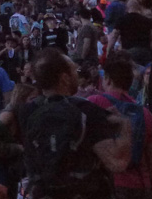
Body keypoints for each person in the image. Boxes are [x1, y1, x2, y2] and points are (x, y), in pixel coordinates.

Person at [10, 48, 133, 198]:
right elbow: (117, 163)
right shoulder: (87, 110)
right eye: (75, 70)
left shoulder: (25, 112)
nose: (77, 74)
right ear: (64, 78)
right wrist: (124, 125)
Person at [87, 52, 152, 199]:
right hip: (140, 184)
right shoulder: (144, 113)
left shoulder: (93, 103)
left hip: (107, 183)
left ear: (107, 80)